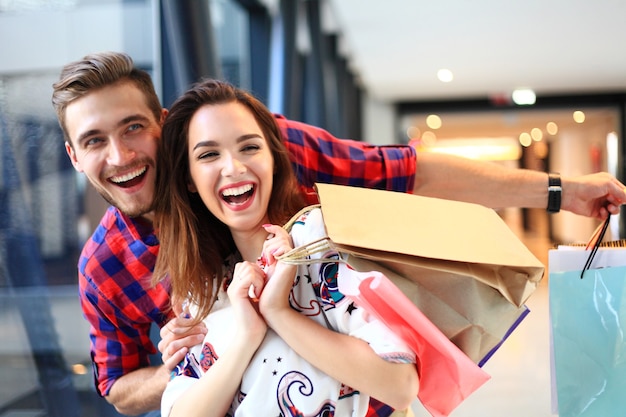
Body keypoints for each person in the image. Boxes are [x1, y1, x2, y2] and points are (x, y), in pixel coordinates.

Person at [51, 51, 626, 416]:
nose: (121, 154)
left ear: (162, 128)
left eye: (133, 128)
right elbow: (120, 388)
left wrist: (560, 191)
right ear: (74, 156)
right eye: (95, 140)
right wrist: (189, 357)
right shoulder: (112, 267)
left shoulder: (258, 152)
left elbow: (405, 171)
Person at [152, 78, 419, 417]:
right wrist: (248, 335)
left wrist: (278, 311)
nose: (233, 167)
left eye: (249, 147)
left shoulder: (322, 244)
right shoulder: (205, 287)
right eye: (208, 154)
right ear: (189, 179)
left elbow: (401, 385)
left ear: (274, 160)